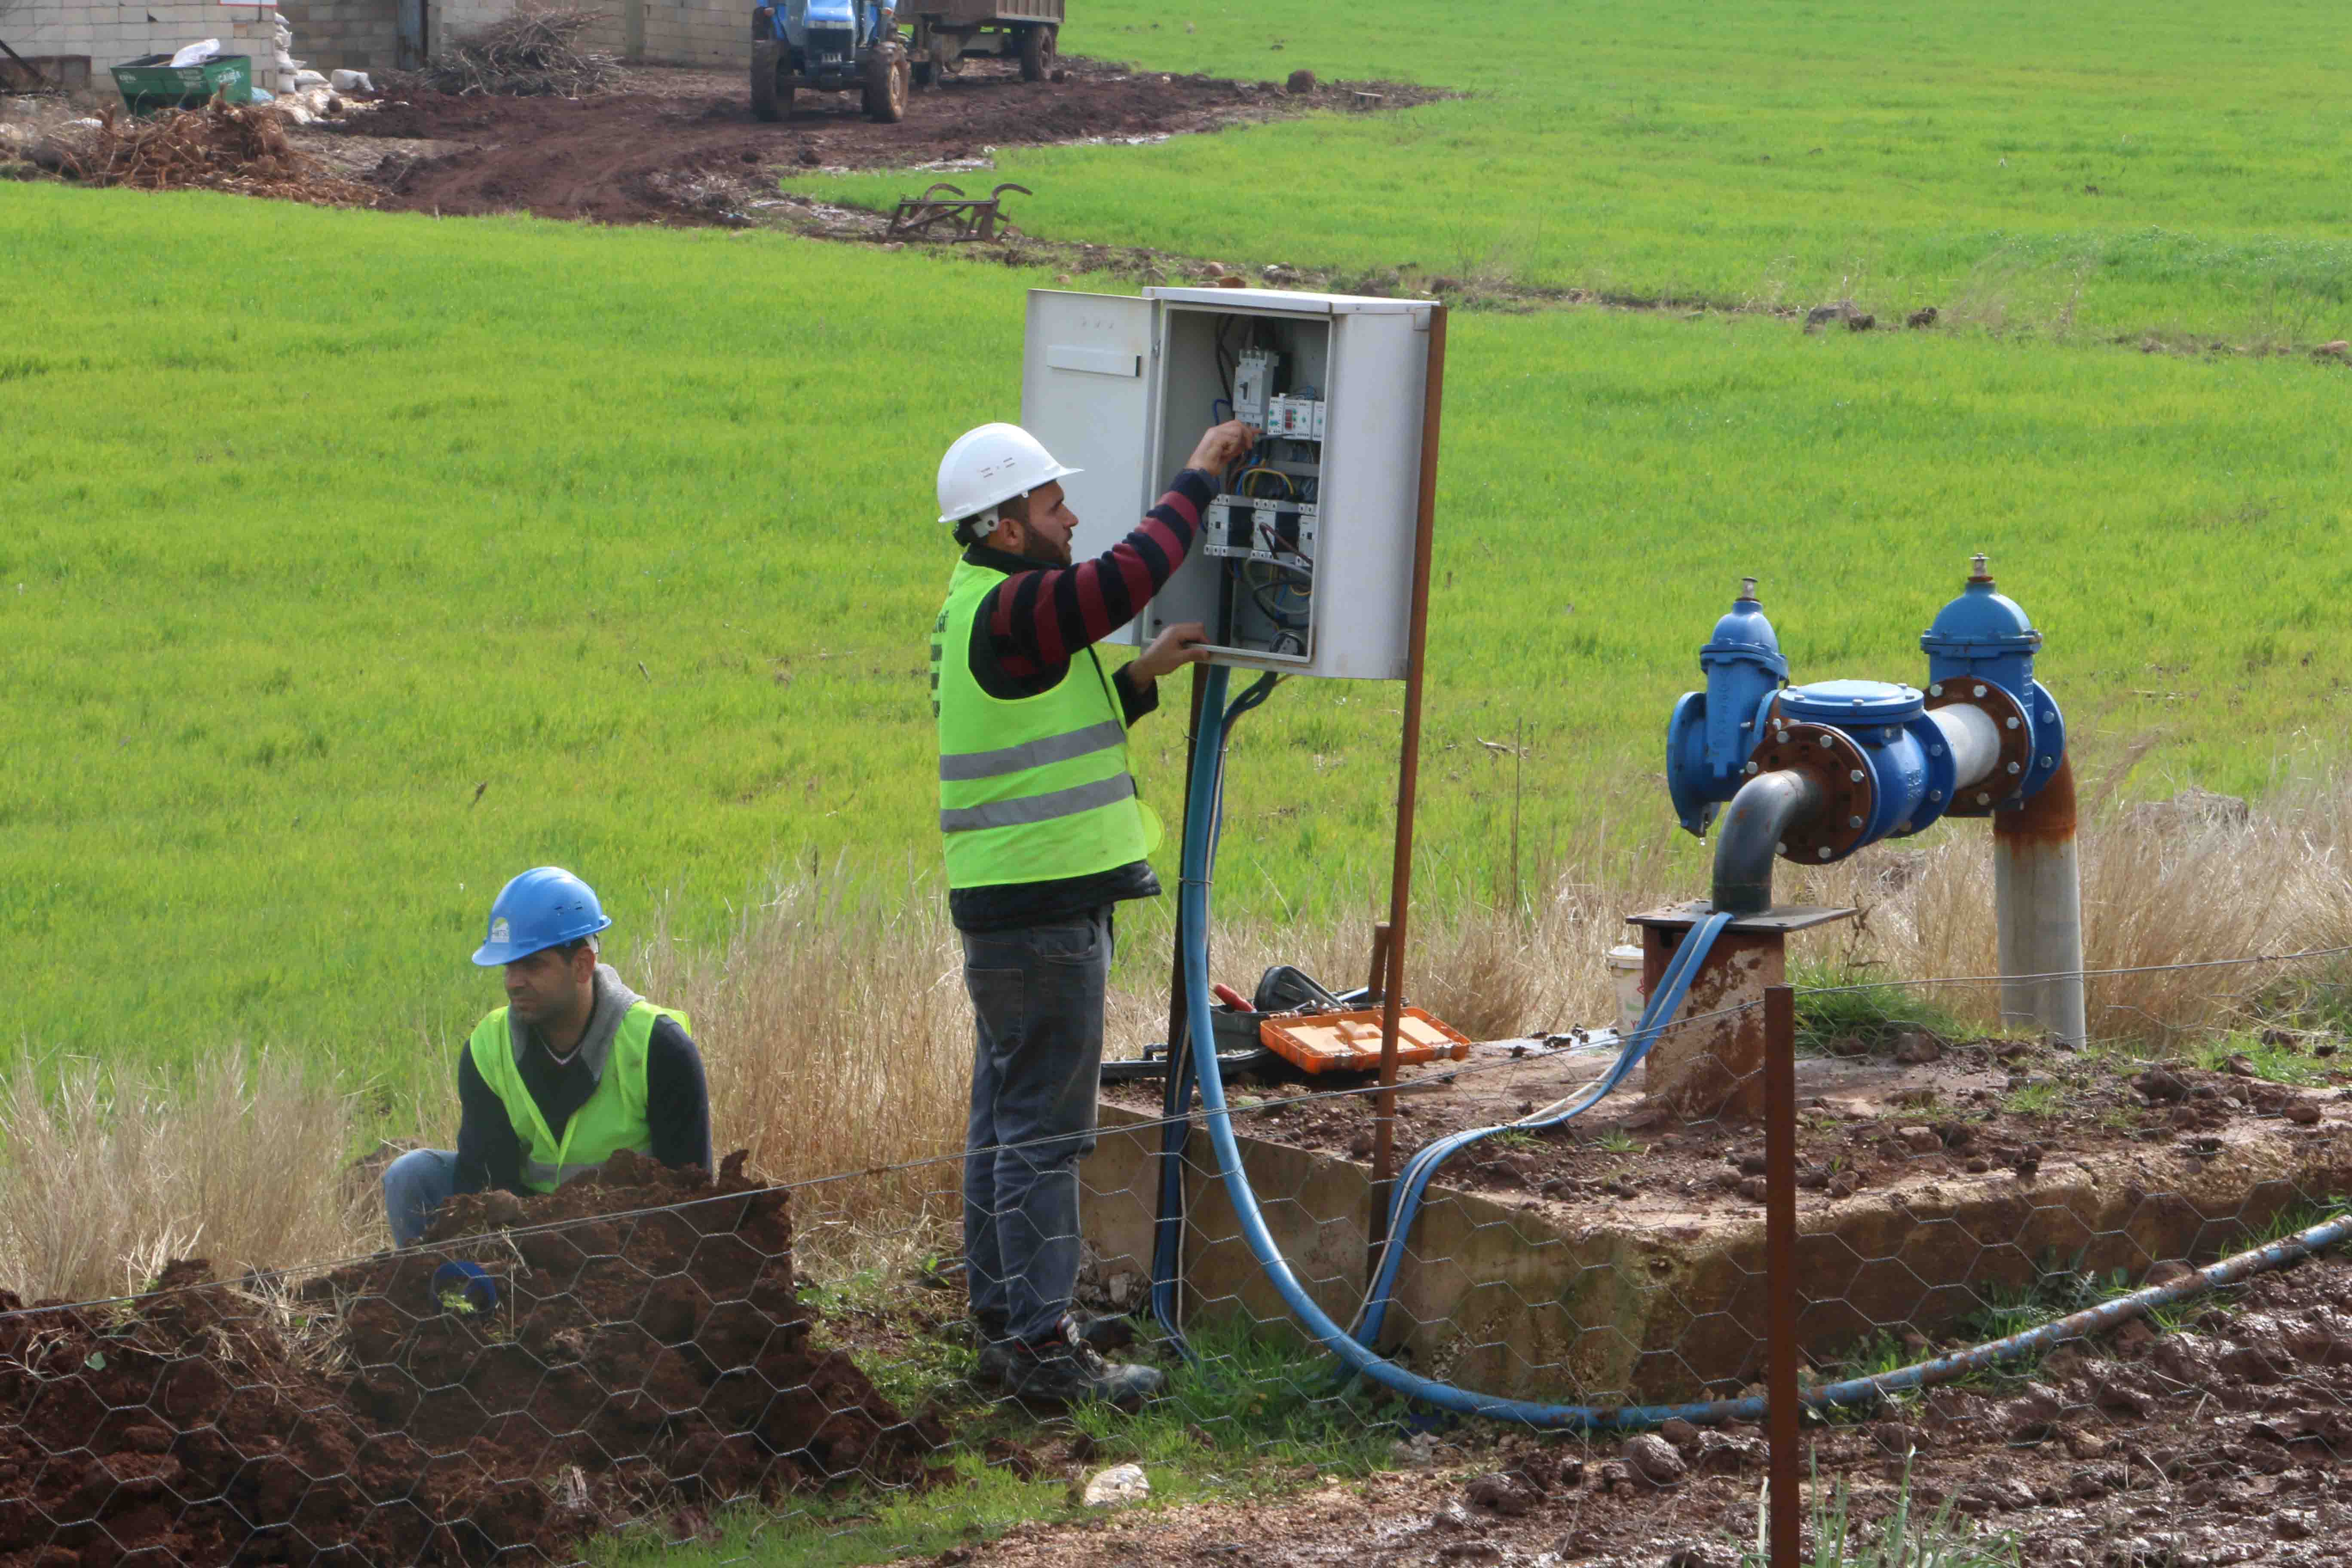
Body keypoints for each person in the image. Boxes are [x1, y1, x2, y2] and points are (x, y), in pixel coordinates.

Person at [931, 416, 1256, 1408]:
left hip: (1012, 904)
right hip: (1039, 910)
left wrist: (1140, 679)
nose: (1069, 515)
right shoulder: (1015, 606)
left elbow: (1044, 728)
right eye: (1050, 504)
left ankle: (1006, 1320)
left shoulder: (982, 607)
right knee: (1043, 1132)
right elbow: (1121, 578)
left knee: (1004, 1119)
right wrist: (1196, 480)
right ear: (1004, 526)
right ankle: (1041, 1349)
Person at [382, 866, 713, 1247]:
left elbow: (692, 1197)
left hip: (627, 1238)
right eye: (509, 966)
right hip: (526, 1225)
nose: (513, 981)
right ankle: (446, 1296)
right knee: (412, 1175)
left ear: (583, 965)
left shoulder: (659, 1048)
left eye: (532, 965)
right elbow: (485, 1186)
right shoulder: (488, 1047)